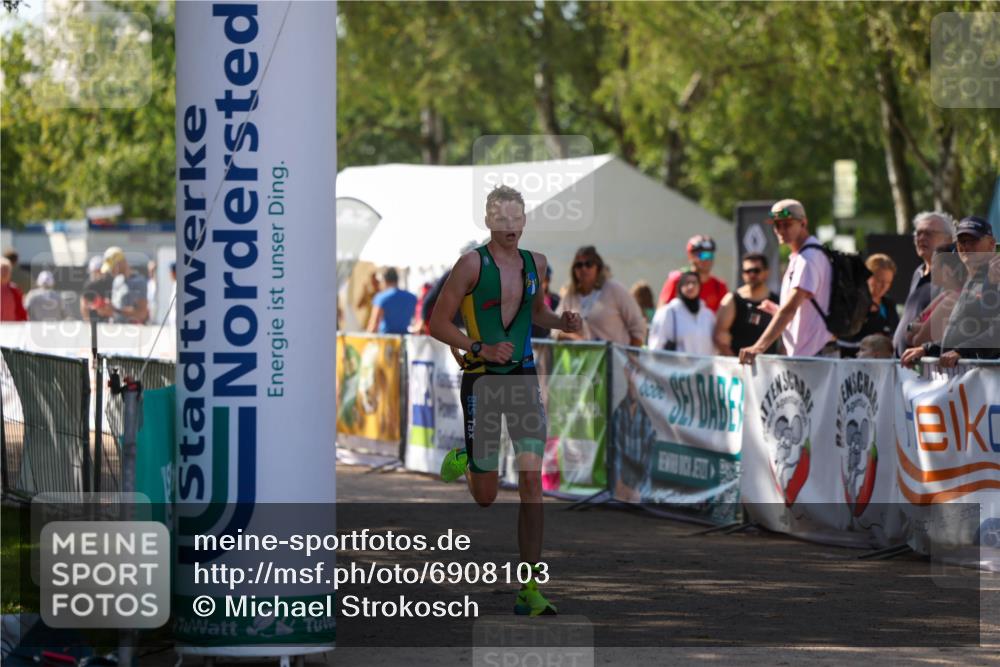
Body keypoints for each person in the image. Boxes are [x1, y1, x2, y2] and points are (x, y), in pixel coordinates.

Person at [429, 185, 582, 617]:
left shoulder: (538, 263)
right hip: (482, 380)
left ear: (525, 220)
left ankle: (529, 588)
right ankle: (468, 458)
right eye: (502, 219)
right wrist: (476, 347)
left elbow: (536, 315)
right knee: (486, 496)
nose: (511, 226)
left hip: (522, 377)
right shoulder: (471, 265)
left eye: (517, 218)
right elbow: (437, 323)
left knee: (533, 482)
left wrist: (562, 322)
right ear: (489, 221)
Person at [739, 199, 836, 364]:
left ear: (803, 223)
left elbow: (790, 309)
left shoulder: (808, 258)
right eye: (777, 225)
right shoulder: (803, 255)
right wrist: (777, 310)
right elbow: (802, 307)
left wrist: (758, 347)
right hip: (812, 353)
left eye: (787, 224)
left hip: (816, 355)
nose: (780, 230)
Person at [902, 216, 1000, 368]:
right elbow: (962, 333)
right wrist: (927, 349)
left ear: (991, 244)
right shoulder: (973, 281)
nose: (966, 246)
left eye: (973, 241)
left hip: (987, 382)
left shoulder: (995, 278)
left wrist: (962, 352)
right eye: (962, 241)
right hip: (965, 380)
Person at [892, 211, 955, 357]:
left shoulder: (952, 276)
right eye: (918, 233)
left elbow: (950, 325)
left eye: (929, 233)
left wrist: (914, 332)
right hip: (906, 369)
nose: (921, 238)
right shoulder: (918, 272)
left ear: (949, 239)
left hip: (931, 369)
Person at [556, 245, 646, 346]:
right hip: (581, 360)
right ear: (574, 269)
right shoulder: (570, 296)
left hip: (616, 359)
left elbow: (638, 327)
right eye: (579, 265)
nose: (583, 268)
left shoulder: (614, 289)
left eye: (588, 264)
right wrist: (574, 338)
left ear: (597, 267)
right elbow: (555, 328)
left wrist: (630, 356)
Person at [713, 253, 780, 356]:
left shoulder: (777, 301)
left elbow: (786, 337)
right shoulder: (732, 299)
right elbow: (720, 336)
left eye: (756, 270)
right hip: (738, 367)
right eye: (747, 271)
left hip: (769, 367)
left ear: (766, 272)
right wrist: (736, 364)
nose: (752, 274)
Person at [836, 254, 900, 358]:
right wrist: (869, 345)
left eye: (888, 282)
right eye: (880, 281)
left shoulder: (889, 304)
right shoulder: (851, 302)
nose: (884, 287)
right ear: (868, 277)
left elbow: (895, 334)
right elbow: (840, 338)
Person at [611, 357, 654, 502]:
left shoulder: (649, 415)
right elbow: (615, 453)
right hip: (622, 481)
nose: (634, 381)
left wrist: (641, 491)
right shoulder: (619, 412)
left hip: (641, 484)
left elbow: (650, 460)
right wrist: (618, 484)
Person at [908, 245, 965, 347]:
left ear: (946, 269)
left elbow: (918, 340)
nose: (930, 269)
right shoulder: (944, 295)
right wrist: (917, 327)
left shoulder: (952, 299)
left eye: (934, 264)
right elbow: (909, 334)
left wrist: (913, 327)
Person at [648, 271, 716, 354]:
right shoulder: (668, 312)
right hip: (674, 366)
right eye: (687, 283)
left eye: (694, 283)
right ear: (680, 286)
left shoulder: (708, 315)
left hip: (704, 366)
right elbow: (656, 346)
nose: (691, 286)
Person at [657, 235, 729, 312]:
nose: (706, 259)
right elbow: (661, 314)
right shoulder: (677, 280)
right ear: (690, 256)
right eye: (702, 255)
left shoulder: (719, 286)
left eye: (709, 255)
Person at [104, 247, 148, 324]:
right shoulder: (117, 280)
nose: (110, 271)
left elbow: (141, 313)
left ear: (120, 263)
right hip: (115, 328)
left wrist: (115, 309)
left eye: (112, 267)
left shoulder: (139, 282)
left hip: (132, 331)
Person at [366, 267, 417, 334]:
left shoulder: (381, 297)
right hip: (405, 339)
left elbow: (373, 325)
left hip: (386, 340)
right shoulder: (412, 297)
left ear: (384, 280)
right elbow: (417, 322)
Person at [531, 265, 562, 339]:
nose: (541, 283)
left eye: (544, 279)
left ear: (548, 281)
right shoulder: (525, 300)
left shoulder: (556, 300)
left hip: (548, 343)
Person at [80, 255, 114, 321]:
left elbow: (113, 309)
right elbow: (84, 306)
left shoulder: (112, 282)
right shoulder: (90, 286)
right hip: (95, 322)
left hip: (111, 322)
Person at [0, 257, 27, 321]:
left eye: (7, 270)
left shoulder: (14, 289)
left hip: (11, 327)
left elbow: (20, 310)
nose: (4, 273)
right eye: (2, 270)